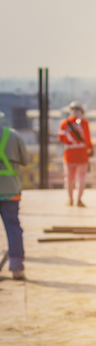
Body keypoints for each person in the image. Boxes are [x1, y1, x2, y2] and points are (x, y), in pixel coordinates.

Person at [0, 113, 29, 280]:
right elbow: (25, 160)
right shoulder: (13, 136)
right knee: (13, 229)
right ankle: (17, 268)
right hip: (10, 189)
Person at [58, 101, 94, 207]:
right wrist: (90, 149)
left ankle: (70, 200)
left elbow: (60, 137)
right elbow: (87, 139)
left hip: (69, 156)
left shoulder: (65, 123)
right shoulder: (84, 123)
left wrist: (69, 141)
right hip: (82, 155)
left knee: (69, 179)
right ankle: (79, 200)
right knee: (81, 179)